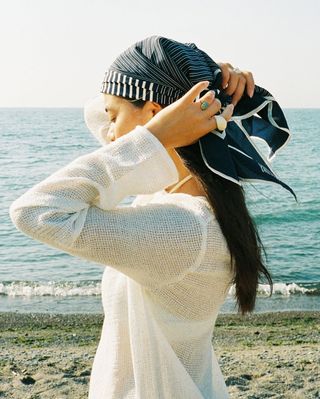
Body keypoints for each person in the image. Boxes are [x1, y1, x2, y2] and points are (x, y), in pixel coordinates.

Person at [9, 35, 287, 398]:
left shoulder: (184, 229)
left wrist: (155, 131)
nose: (108, 132)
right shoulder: (179, 196)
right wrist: (206, 85)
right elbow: (101, 116)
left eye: (114, 118)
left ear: (155, 115)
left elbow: (34, 211)